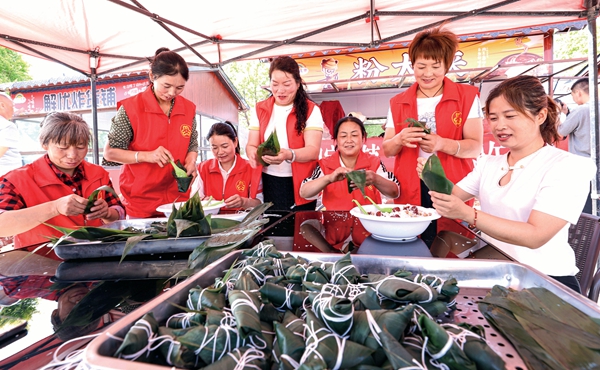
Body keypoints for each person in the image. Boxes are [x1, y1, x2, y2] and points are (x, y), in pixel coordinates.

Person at [421, 75, 596, 293]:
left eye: (510, 116)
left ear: (540, 115)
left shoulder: (568, 166)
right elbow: (452, 197)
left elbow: (535, 236)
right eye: (493, 118)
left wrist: (469, 215)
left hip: (543, 281)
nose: (500, 126)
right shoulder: (488, 164)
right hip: (493, 273)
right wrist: (431, 174)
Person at [382, 25, 483, 246]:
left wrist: (442, 143)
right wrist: (399, 139)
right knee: (411, 240)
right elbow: (387, 149)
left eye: (436, 66)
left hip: (453, 183)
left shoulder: (466, 96)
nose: (428, 73)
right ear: (412, 65)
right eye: (421, 66)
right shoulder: (398, 101)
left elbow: (475, 146)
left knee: (451, 243)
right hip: (411, 183)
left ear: (447, 65)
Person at [0, 112, 125, 249]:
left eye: (80, 147)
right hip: (41, 261)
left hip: (95, 255)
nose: (72, 155)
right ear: (44, 144)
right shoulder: (16, 180)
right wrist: (55, 208)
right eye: (63, 147)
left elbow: (118, 212)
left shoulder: (98, 174)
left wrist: (107, 213)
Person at [103, 47, 199, 218]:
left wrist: (191, 161)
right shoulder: (131, 108)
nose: (172, 93)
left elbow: (192, 144)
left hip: (177, 202)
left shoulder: (188, 109)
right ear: (152, 76)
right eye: (166, 86)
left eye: (179, 87)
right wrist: (146, 156)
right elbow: (110, 153)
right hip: (140, 203)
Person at [246, 56, 324, 211]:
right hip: (269, 181)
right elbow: (251, 145)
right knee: (272, 228)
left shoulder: (311, 110)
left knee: (301, 229)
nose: (280, 90)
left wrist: (288, 154)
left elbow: (312, 151)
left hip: (302, 183)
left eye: (287, 84)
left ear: (297, 83)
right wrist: (254, 154)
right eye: (274, 84)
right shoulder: (259, 108)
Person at [300, 116, 400, 211]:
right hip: (335, 225)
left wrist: (375, 179)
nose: (349, 140)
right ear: (336, 139)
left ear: (363, 138)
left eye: (354, 135)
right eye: (343, 136)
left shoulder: (375, 162)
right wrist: (329, 178)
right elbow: (304, 192)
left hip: (368, 223)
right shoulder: (325, 164)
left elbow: (394, 192)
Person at [190, 121, 263, 211]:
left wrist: (244, 202)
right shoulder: (202, 168)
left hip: (241, 222)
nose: (220, 152)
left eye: (224, 146)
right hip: (211, 222)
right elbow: (193, 201)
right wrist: (203, 202)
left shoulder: (251, 168)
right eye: (214, 148)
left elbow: (260, 203)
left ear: (235, 142)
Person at [557, 78, 593, 214]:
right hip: (597, 163)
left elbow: (560, 132)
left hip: (582, 164)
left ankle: (590, 232)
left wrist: (559, 113)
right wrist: (568, 113)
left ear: (578, 93)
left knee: (584, 203)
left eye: (572, 95)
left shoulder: (581, 110)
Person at [0, 93, 22, 176]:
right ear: (2, 105)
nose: (13, 110)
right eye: (12, 106)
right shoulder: (7, 126)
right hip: (6, 177)